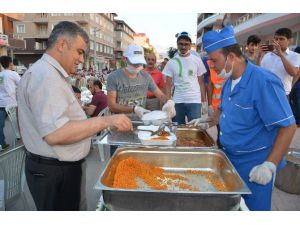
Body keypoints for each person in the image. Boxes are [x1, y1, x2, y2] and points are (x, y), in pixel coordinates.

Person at [17, 21, 133, 211]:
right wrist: (105, 120)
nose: (81, 59)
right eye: (79, 52)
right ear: (62, 45)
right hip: (55, 171)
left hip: (57, 168)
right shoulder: (46, 76)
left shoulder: (50, 73)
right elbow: (56, 134)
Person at [189, 26, 297, 210]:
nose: (212, 66)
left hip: (255, 164)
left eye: (214, 61)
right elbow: (220, 114)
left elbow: (288, 127)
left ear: (231, 57)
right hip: (230, 158)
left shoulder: (263, 81)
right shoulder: (229, 82)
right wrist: (205, 121)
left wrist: (269, 165)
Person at [107, 44, 175, 121]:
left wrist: (169, 102)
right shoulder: (114, 77)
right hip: (120, 122)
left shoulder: (145, 76)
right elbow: (112, 106)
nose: (137, 65)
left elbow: (160, 95)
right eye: (134, 62)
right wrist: (134, 109)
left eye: (139, 62)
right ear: (124, 59)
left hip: (140, 121)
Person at [162, 31, 207, 124]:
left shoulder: (197, 60)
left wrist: (204, 101)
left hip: (194, 100)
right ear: (177, 44)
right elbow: (168, 84)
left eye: (186, 44)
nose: (183, 47)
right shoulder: (172, 62)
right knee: (177, 129)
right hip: (177, 101)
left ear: (190, 45)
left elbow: (201, 82)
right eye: (181, 44)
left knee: (195, 129)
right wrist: (169, 100)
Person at [260, 28, 300, 97]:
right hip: (265, 92)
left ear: (289, 40)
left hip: (282, 93)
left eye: (281, 39)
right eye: (276, 39)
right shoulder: (267, 55)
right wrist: (259, 57)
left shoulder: (295, 55)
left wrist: (281, 55)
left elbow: (293, 73)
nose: (278, 41)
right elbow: (260, 71)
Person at [0, 56, 21, 150]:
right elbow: (22, 85)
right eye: (12, 63)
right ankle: (20, 136)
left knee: (0, 125)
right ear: (9, 64)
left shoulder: (1, 74)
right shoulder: (13, 74)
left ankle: (2, 143)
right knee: (19, 120)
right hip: (11, 103)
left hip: (1, 103)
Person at [290, 46, 300, 126]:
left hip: (297, 84)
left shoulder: (297, 57)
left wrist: (292, 84)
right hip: (296, 84)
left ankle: (297, 120)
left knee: (295, 102)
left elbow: (297, 73)